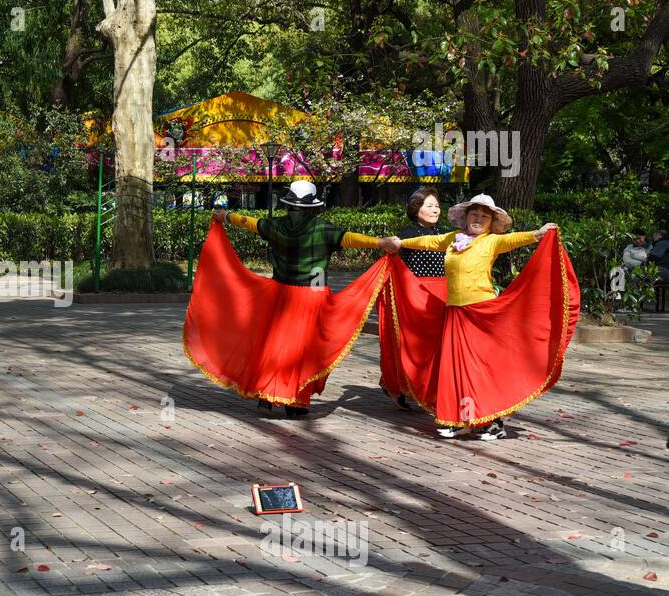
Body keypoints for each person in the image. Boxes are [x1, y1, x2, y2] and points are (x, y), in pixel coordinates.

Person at [378, 193, 578, 441]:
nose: (478, 219)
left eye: (484, 216)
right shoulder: (452, 239)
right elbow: (428, 242)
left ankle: (493, 423)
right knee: (456, 368)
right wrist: (401, 243)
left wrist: (537, 234)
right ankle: (463, 419)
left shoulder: (491, 241)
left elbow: (513, 240)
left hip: (481, 313)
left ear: (491, 223)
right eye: (474, 214)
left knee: (479, 369)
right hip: (455, 313)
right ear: (465, 216)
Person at [187, 179, 393, 418]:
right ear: (314, 206)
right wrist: (380, 243)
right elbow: (350, 238)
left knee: (273, 344)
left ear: (289, 204)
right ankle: (295, 401)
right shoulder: (322, 228)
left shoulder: (276, 225)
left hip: (280, 292)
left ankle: (265, 393)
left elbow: (250, 223)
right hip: (312, 293)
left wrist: (226, 215)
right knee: (303, 350)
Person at [381, 186, 449, 410]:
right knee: (414, 344)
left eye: (437, 205)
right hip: (415, 295)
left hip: (442, 294)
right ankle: (400, 384)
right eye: (429, 205)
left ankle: (429, 387)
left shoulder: (445, 234)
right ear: (416, 209)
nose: (435, 209)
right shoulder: (406, 235)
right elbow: (393, 265)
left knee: (436, 345)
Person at [649, 230, 669, 313]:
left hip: (665, 271)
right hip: (664, 270)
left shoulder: (663, 243)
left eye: (654, 236)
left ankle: (633, 305)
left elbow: (653, 256)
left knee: (636, 275)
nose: (653, 238)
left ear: (660, 236)